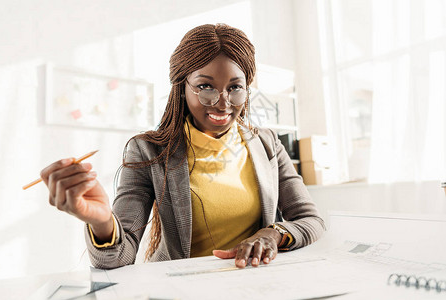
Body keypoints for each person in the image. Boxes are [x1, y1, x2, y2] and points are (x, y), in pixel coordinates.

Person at [40, 23, 325, 270]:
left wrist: (273, 233)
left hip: (255, 285)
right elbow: (117, 259)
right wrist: (101, 221)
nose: (223, 102)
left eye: (235, 88)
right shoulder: (148, 151)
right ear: (182, 86)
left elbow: (310, 220)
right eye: (206, 87)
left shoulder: (267, 144)